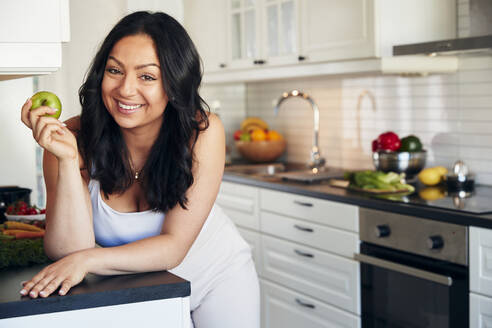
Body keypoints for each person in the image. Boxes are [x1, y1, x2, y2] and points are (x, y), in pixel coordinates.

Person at [20, 11, 259, 328]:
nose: (125, 89)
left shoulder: (201, 132)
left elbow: (173, 247)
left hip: (217, 276)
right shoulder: (71, 139)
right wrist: (65, 160)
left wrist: (89, 259)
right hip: (139, 288)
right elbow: (68, 251)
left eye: (147, 76)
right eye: (114, 71)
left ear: (174, 84)